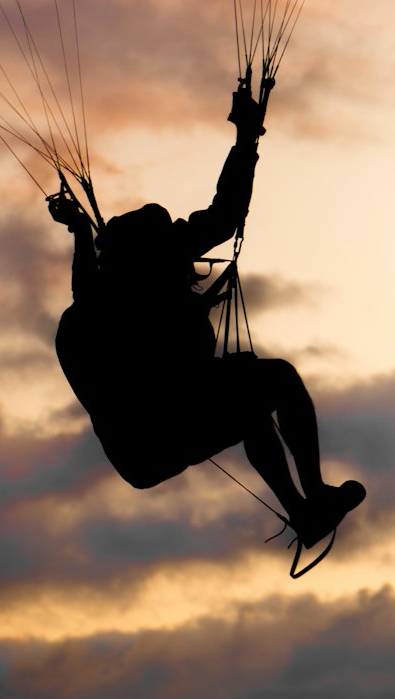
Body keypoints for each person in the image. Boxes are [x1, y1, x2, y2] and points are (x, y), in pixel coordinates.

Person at [48, 82, 365, 564]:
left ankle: (304, 514)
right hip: (157, 427)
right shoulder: (115, 301)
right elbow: (222, 216)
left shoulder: (98, 302)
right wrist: (246, 138)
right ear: (150, 255)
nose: (181, 235)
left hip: (144, 446)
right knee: (276, 378)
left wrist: (79, 234)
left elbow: (90, 287)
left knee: (251, 405)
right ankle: (315, 495)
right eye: (169, 232)